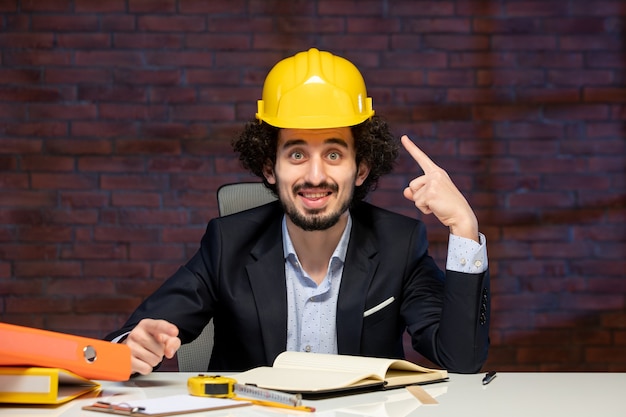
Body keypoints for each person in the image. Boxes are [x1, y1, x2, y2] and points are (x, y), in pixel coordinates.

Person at [106, 48, 490, 376]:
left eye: (334, 154)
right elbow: (128, 343)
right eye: (297, 154)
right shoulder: (228, 243)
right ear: (270, 168)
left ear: (361, 168)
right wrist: (135, 346)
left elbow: (461, 358)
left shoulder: (400, 245)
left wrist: (464, 228)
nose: (316, 175)